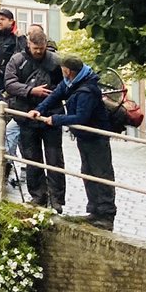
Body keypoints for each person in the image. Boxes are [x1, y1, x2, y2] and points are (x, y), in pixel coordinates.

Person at [31, 56, 116, 230]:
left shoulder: (87, 90)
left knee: (101, 174)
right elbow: (55, 95)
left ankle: (106, 214)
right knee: (87, 172)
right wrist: (39, 110)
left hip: (96, 137)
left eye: (63, 70)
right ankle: (94, 210)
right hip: (84, 136)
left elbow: (81, 117)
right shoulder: (71, 83)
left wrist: (56, 119)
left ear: (68, 71)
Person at [5, 29, 66, 210]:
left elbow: (65, 85)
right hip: (26, 115)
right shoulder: (17, 60)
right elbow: (9, 83)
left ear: (46, 45)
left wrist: (52, 96)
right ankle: (38, 195)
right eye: (35, 48)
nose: (38, 51)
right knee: (32, 158)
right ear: (29, 44)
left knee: (54, 159)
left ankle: (57, 198)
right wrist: (30, 90)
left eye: (41, 48)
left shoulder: (55, 62)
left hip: (50, 115)